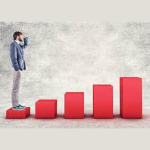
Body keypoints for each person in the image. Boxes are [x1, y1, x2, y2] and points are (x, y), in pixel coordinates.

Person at [10, 31, 29, 110]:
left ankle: (16, 104)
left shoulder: (18, 45)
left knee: (17, 87)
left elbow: (25, 45)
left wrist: (25, 38)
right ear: (17, 36)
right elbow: (13, 57)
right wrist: (16, 68)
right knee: (15, 88)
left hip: (19, 68)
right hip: (16, 68)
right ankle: (15, 106)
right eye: (21, 36)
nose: (22, 36)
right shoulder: (13, 44)